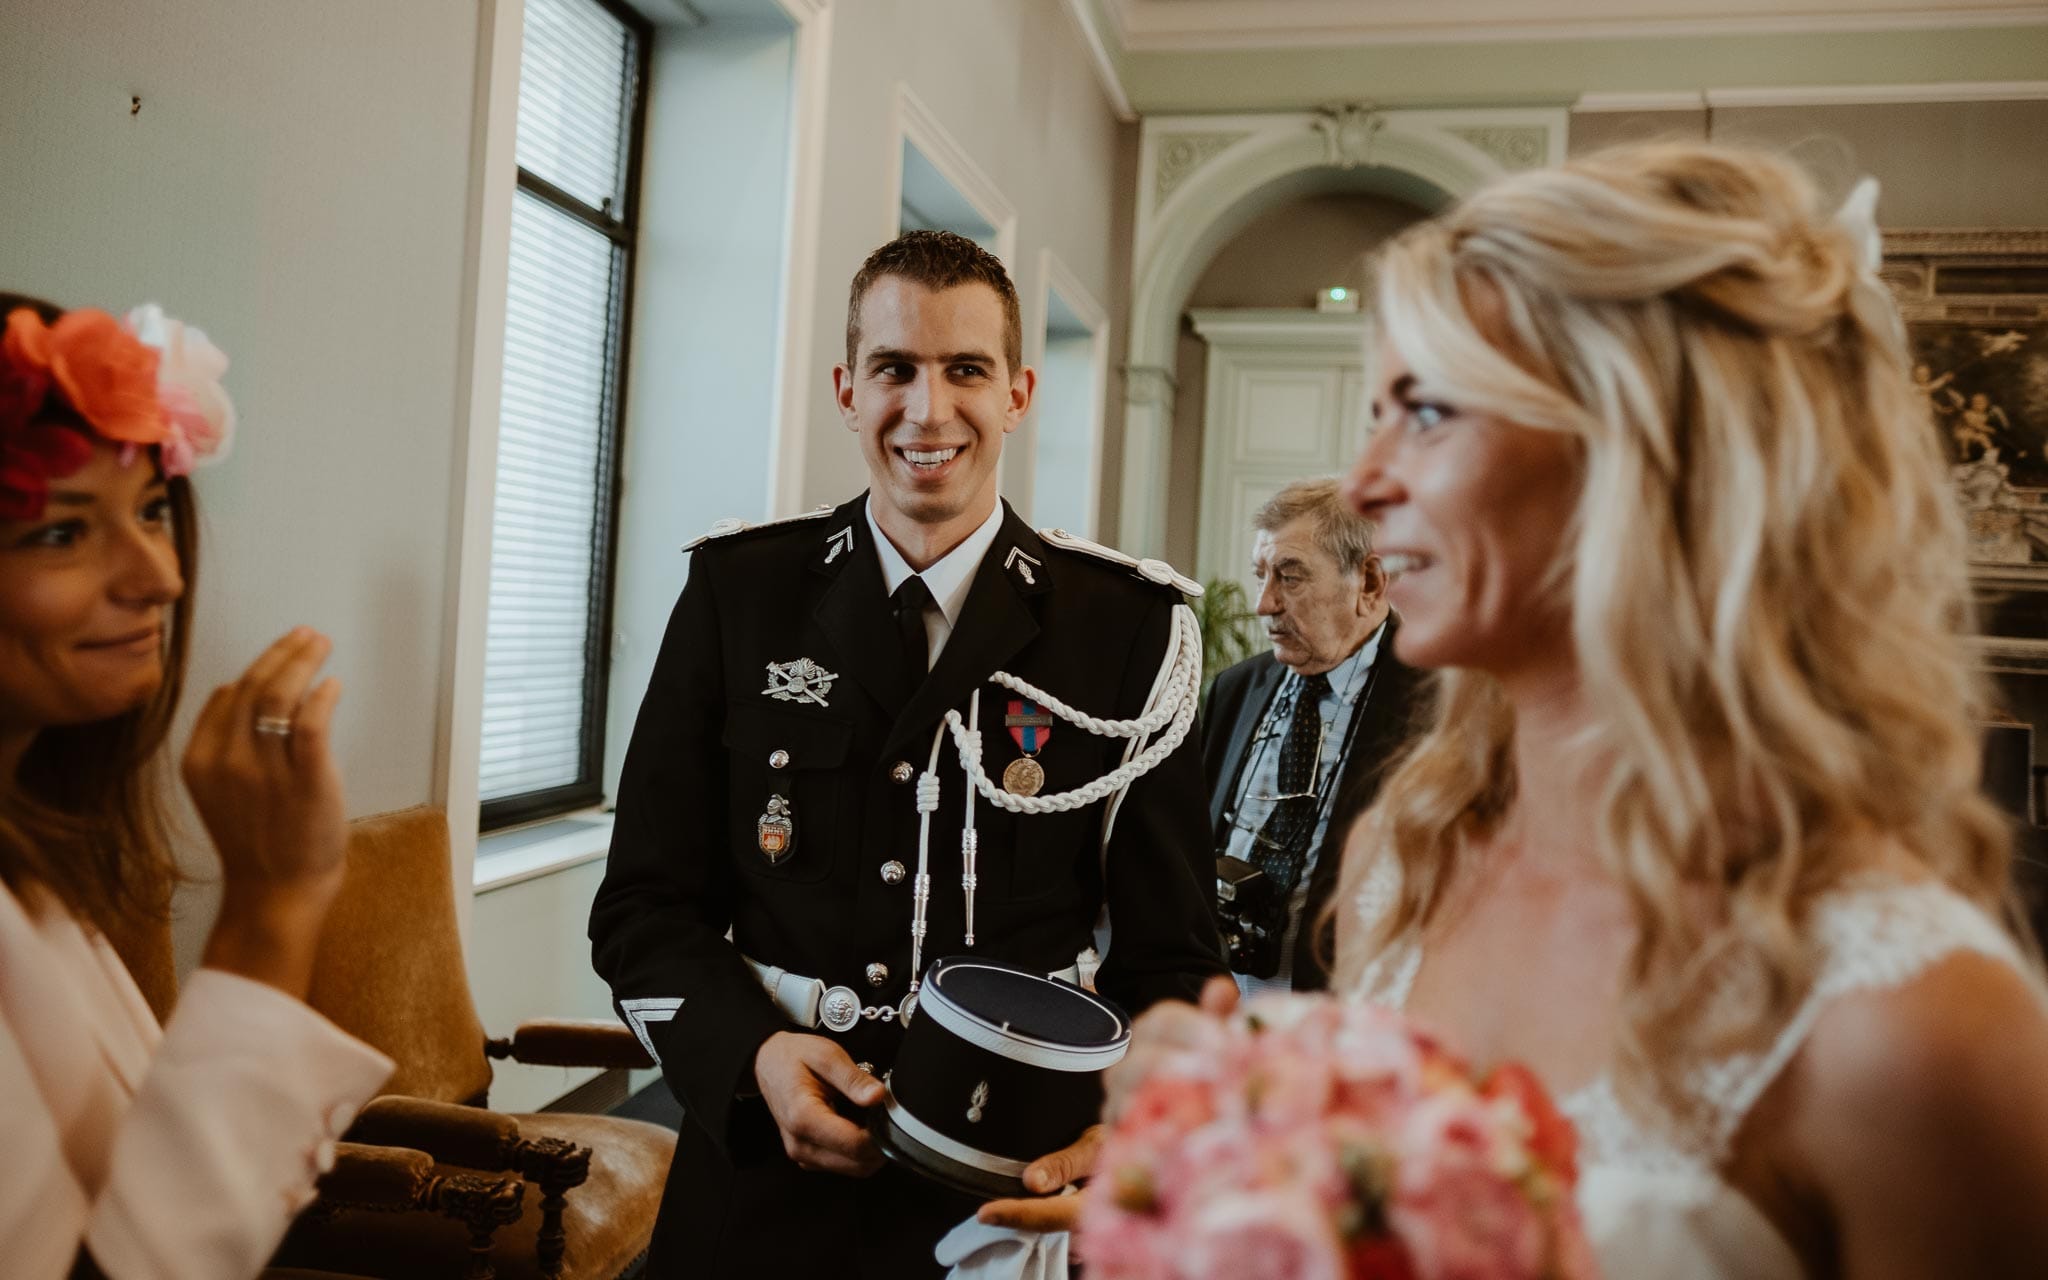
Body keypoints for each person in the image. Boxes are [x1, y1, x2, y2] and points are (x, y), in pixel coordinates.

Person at [1099, 143, 2048, 1277]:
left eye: (1429, 410)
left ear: (1643, 458)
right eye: (1373, 412)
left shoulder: (1917, 1032)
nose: (1361, 483)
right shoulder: (1401, 868)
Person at [588, 230, 1224, 1276]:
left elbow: (1174, 965)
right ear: (847, 388)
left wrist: (1135, 1133)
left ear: (1017, 391)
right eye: (895, 368)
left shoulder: (1127, 629)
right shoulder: (738, 597)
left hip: (1012, 1195)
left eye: (965, 369)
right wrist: (753, 1059)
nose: (927, 410)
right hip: (760, 1184)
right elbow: (643, 907)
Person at [0, 294, 392, 1278]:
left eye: (147, 510)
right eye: (59, 533)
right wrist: (270, 908)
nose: (161, 576)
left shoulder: (38, 861)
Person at [1203, 478, 1428, 994]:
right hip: (1220, 988)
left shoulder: (1435, 706)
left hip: (1348, 1004)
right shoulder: (1236, 689)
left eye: (1290, 576)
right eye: (1261, 575)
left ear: (1369, 582)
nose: (1264, 604)